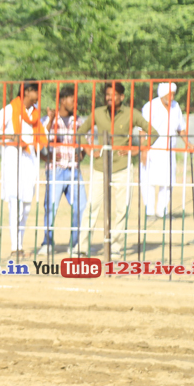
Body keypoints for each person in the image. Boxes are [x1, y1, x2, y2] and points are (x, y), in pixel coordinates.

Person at [76, 82, 158, 257]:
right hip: (100, 167)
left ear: (121, 97)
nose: (109, 98)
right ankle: (82, 248)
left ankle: (115, 247)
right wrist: (89, 149)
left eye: (113, 95)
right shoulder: (98, 113)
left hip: (122, 167)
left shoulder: (131, 114)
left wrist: (138, 149)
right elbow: (81, 132)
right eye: (107, 95)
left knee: (122, 209)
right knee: (91, 207)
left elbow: (153, 132)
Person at [0, 81, 44, 259]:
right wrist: (11, 136)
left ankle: (20, 245)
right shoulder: (10, 110)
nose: (39, 95)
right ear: (27, 92)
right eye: (36, 91)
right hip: (13, 161)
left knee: (26, 205)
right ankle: (14, 247)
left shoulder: (35, 114)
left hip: (30, 161)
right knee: (15, 203)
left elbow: (42, 137)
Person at [40, 86, 87, 255]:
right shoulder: (49, 119)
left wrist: (81, 155)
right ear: (62, 100)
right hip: (56, 169)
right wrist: (45, 157)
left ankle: (75, 243)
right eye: (72, 100)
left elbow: (86, 142)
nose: (75, 104)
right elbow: (40, 139)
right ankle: (47, 242)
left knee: (81, 206)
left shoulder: (79, 121)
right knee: (51, 207)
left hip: (73, 169)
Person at [141, 83, 187, 219]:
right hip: (152, 149)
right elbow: (142, 129)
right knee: (149, 181)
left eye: (173, 94)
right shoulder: (150, 106)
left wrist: (188, 143)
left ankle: (162, 211)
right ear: (162, 94)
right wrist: (144, 149)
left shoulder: (175, 107)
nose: (172, 97)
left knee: (168, 182)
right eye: (169, 94)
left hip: (169, 151)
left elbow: (180, 128)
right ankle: (149, 212)